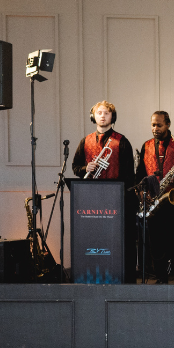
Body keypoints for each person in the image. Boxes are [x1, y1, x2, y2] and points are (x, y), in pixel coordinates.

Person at [73, 100, 138, 281]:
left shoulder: (121, 141)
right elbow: (75, 167)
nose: (102, 116)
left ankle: (121, 277)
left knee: (116, 242)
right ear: (93, 116)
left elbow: (128, 174)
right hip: (91, 199)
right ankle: (94, 273)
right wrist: (86, 168)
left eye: (106, 113)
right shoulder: (84, 141)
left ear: (112, 117)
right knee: (94, 239)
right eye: (99, 113)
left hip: (115, 200)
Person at [136, 111, 174, 282]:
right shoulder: (146, 146)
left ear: (168, 124)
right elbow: (140, 173)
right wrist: (141, 191)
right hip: (154, 202)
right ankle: (161, 278)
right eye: (153, 125)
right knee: (156, 245)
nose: (155, 128)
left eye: (159, 125)